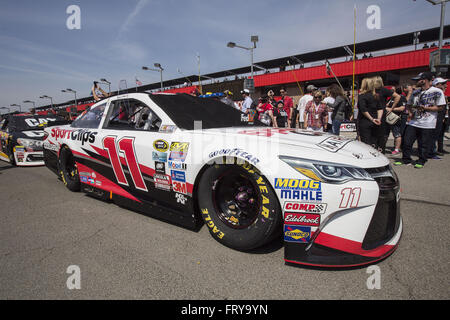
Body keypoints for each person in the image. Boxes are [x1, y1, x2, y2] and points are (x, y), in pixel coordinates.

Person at [394, 72, 446, 169]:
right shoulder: (415, 92)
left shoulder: (437, 92)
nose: (416, 82)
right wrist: (410, 113)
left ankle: (421, 160)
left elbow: (441, 107)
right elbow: (409, 104)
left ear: (425, 80)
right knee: (406, 141)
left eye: (418, 80)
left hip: (427, 123)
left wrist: (426, 109)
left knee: (423, 144)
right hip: (414, 122)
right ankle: (406, 159)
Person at [373, 76, 401, 153]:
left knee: (381, 134)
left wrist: (391, 108)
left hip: (381, 114)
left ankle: (381, 150)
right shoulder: (371, 90)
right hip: (372, 113)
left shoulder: (383, 90)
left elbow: (397, 96)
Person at [357, 77, 383, 148]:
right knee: (374, 142)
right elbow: (380, 108)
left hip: (365, 122)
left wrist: (371, 119)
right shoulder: (376, 95)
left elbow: (363, 110)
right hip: (376, 121)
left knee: (366, 144)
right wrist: (378, 119)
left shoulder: (362, 96)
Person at [385, 86, 407, 155]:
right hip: (388, 118)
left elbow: (402, 108)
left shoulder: (402, 97)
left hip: (395, 118)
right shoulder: (391, 98)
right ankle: (382, 147)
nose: (391, 91)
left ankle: (397, 149)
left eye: (393, 90)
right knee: (385, 134)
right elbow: (386, 106)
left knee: (396, 134)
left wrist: (391, 109)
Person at [431, 77, 448, 157]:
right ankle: (432, 151)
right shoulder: (435, 93)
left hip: (442, 117)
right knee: (434, 134)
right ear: (437, 85)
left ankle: (439, 149)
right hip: (435, 117)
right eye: (443, 84)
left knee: (440, 134)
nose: (445, 85)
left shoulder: (442, 93)